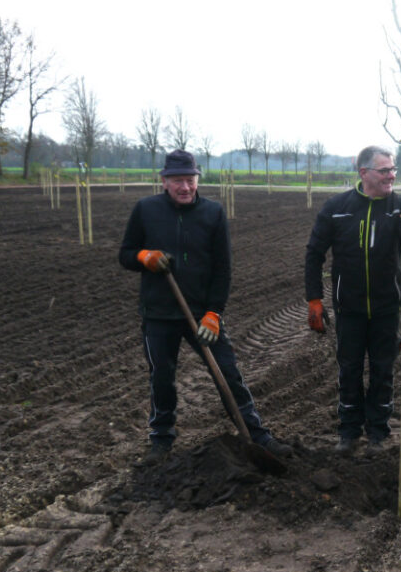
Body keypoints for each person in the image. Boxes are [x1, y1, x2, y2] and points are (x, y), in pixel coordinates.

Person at [119, 149, 291, 465]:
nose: (185, 187)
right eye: (177, 181)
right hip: (158, 313)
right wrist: (143, 257)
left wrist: (214, 313)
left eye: (190, 180)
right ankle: (161, 440)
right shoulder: (146, 210)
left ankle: (257, 435)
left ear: (198, 179)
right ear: (164, 181)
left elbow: (222, 269)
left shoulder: (212, 213)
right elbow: (126, 254)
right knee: (161, 377)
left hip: (201, 314)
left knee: (226, 372)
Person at [304, 145, 401, 456]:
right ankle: (348, 432)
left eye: (393, 170)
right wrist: (314, 300)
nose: (391, 176)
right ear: (364, 173)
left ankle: (378, 432)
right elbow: (314, 254)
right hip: (349, 307)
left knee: (382, 368)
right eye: (384, 170)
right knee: (348, 369)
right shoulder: (338, 207)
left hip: (387, 307)